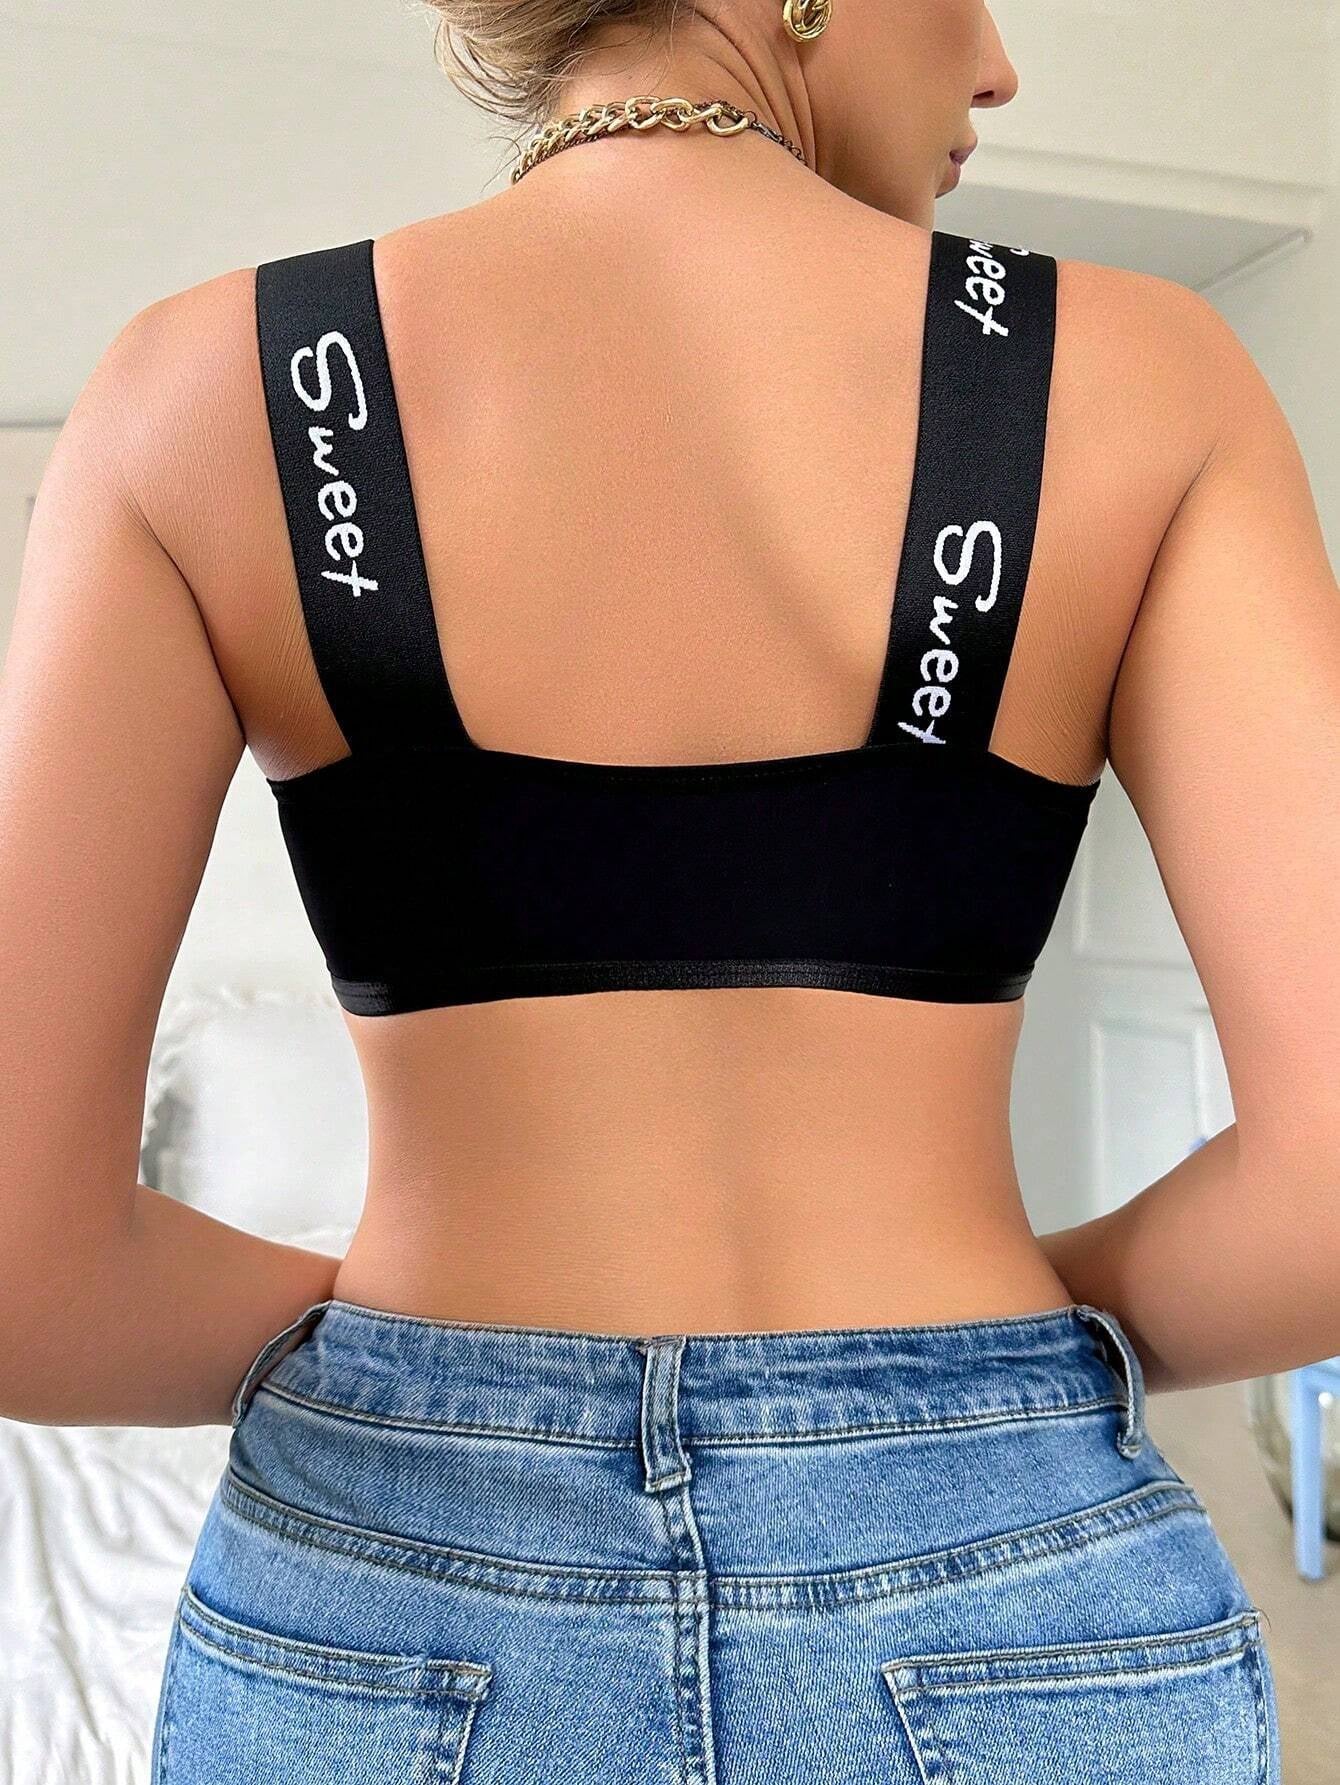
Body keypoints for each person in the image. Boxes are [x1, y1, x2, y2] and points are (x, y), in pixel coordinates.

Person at [3, 0, 1335, 1775]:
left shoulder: (198, 391)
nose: (998, 65)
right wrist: (991, 1345)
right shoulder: (1150, 380)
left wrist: (423, 1364)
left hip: (391, 1602)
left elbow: (23, 1277)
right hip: (1006, 1598)